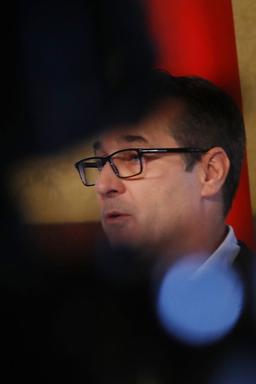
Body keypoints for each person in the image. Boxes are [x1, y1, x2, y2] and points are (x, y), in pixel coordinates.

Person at [73, 71, 256, 382]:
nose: (104, 185)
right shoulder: (79, 320)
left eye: (132, 157)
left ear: (210, 172)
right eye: (101, 162)